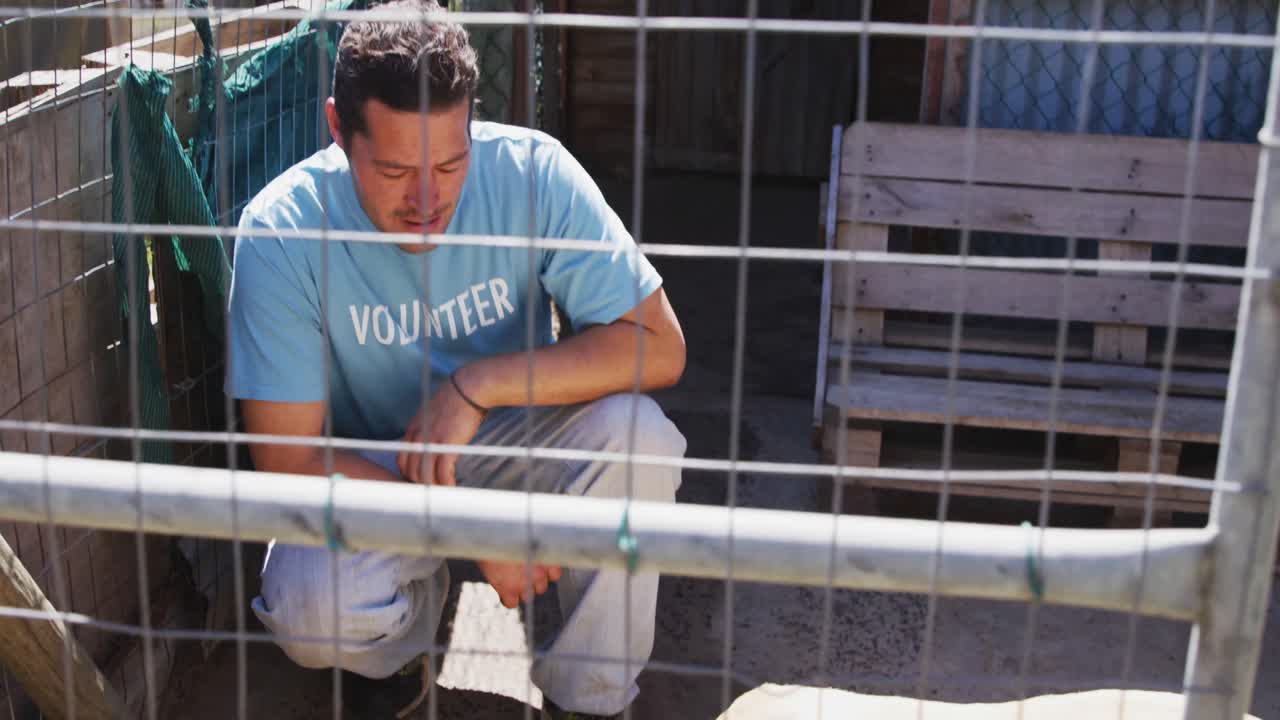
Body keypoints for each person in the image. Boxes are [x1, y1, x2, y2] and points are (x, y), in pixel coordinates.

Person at [224, 1, 687, 717]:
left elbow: (660, 345)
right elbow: (287, 459)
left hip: (517, 439)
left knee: (642, 438)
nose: (429, 199)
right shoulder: (280, 230)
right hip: (375, 470)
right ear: (337, 131)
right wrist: (471, 522)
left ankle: (590, 697)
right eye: (396, 170)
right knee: (307, 602)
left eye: (450, 162)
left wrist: (479, 385)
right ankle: (403, 647)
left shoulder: (533, 172)